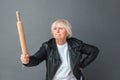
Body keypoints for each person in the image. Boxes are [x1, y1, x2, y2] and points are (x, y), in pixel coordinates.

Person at [20, 19, 99, 80]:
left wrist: (82, 65)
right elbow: (36, 59)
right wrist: (27, 61)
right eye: (55, 29)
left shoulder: (76, 44)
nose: (57, 31)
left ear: (67, 32)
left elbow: (94, 51)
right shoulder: (48, 46)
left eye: (61, 28)